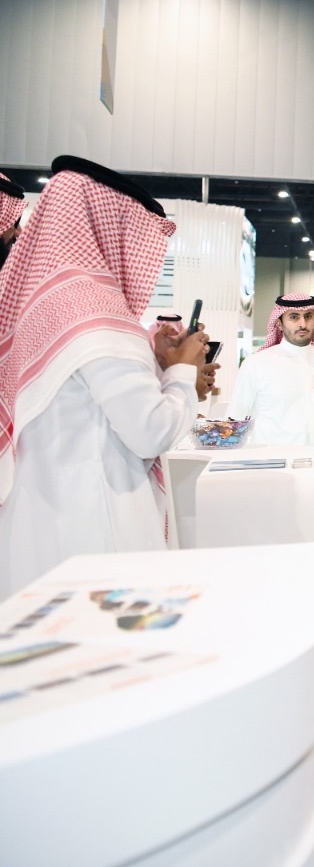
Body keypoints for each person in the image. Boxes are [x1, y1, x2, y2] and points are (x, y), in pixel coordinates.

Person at [0, 157, 215, 599]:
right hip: (97, 530)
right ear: (110, 227)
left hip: (41, 525)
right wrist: (183, 372)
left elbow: (89, 400)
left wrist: (159, 363)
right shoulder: (96, 310)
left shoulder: (42, 306)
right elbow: (150, 430)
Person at [231, 293, 314, 487]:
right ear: (279, 323)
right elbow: (236, 420)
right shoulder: (257, 363)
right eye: (294, 317)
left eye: (308, 316)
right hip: (272, 475)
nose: (303, 324)